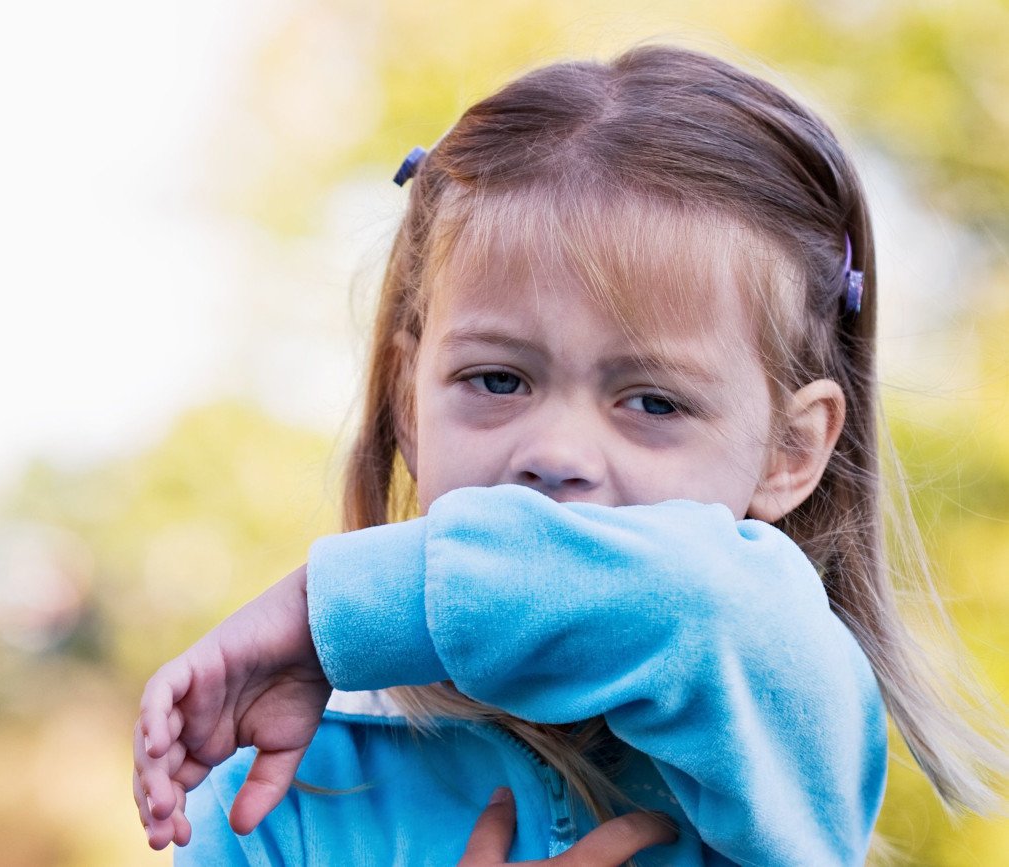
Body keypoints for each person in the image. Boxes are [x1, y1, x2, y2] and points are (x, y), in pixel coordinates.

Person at [132, 44, 1006, 865]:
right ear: (408, 395)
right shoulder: (281, 792)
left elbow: (698, 599)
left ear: (790, 451)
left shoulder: (775, 695)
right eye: (499, 380)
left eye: (654, 401)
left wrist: (336, 611)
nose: (554, 452)